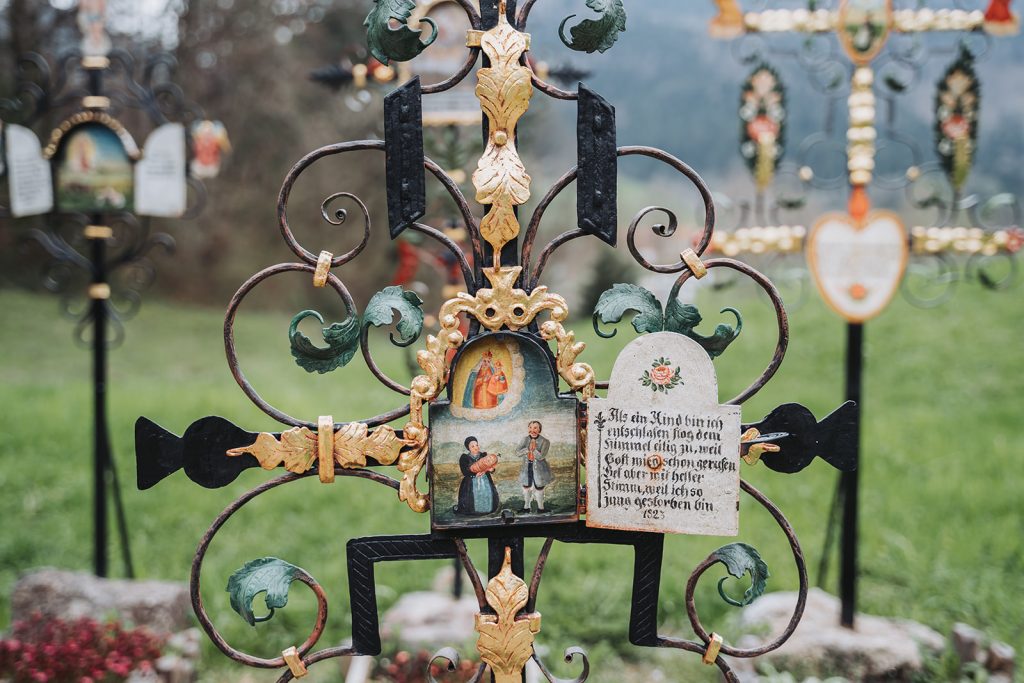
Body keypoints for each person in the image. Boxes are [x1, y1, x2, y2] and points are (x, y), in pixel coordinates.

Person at [454, 437, 499, 516]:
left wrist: (492, 470)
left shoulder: (483, 455)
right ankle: (473, 510)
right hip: (471, 481)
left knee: (487, 493)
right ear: (468, 448)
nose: (476, 447)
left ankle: (487, 508)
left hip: (485, 479)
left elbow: (490, 466)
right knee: (471, 497)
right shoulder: (464, 458)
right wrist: (475, 474)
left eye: (477, 445)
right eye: (473, 446)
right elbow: (464, 471)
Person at [515, 421, 552, 512]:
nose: (532, 430)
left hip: (539, 469)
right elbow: (517, 452)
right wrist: (527, 450)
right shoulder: (525, 440)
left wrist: (534, 450)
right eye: (530, 427)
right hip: (526, 468)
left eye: (535, 428)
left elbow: (541, 456)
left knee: (539, 488)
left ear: (539, 429)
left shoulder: (545, 441)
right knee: (526, 487)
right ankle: (526, 507)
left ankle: (541, 508)